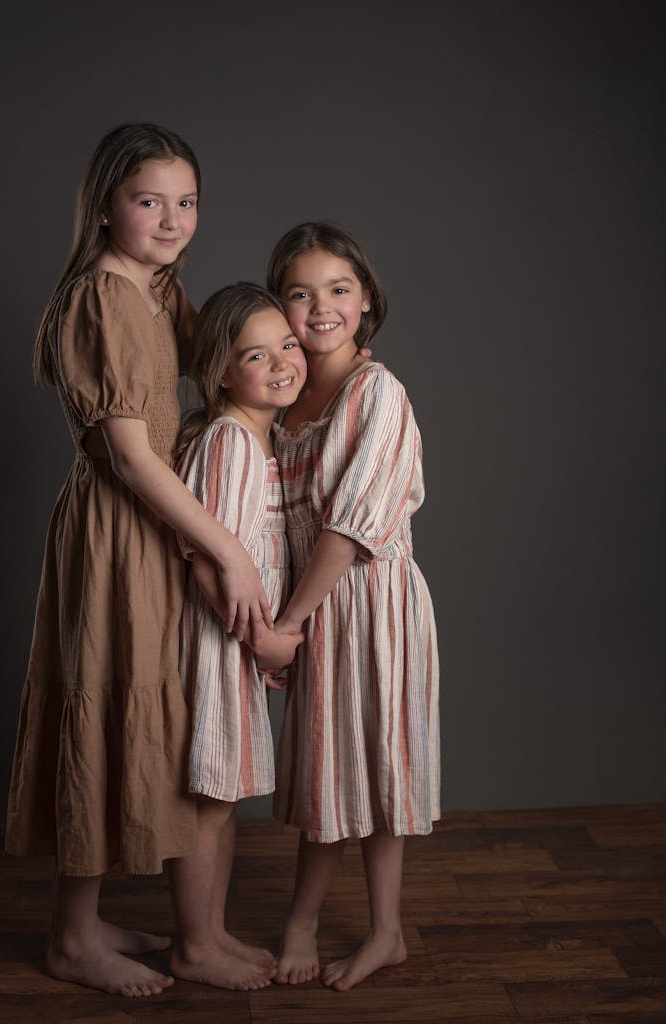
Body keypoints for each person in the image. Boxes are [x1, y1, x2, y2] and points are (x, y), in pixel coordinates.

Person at [5, 124, 272, 998]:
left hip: (154, 528)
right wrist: (228, 549)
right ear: (105, 207)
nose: (170, 220)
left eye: (185, 202)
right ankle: (70, 941)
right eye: (148, 201)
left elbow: (225, 363)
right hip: (120, 530)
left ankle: (87, 923)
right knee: (104, 702)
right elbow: (129, 457)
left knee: (137, 710)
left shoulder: (158, 290)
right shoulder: (104, 296)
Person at [265, 222, 440, 990]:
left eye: (337, 289)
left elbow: (348, 529)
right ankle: (303, 922)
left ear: (365, 298)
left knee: (377, 766)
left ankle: (383, 931)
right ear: (278, 305)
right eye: (299, 294)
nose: (321, 308)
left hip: (371, 602)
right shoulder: (285, 399)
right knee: (325, 774)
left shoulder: (377, 392)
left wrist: (287, 623)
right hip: (314, 608)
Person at [169, 283, 306, 989]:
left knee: (221, 803)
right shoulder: (228, 442)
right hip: (215, 647)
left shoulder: (259, 439)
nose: (282, 363)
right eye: (257, 355)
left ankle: (211, 931)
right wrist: (261, 644)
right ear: (222, 373)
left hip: (237, 648)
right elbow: (206, 560)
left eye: (288, 345)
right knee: (208, 803)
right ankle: (193, 946)